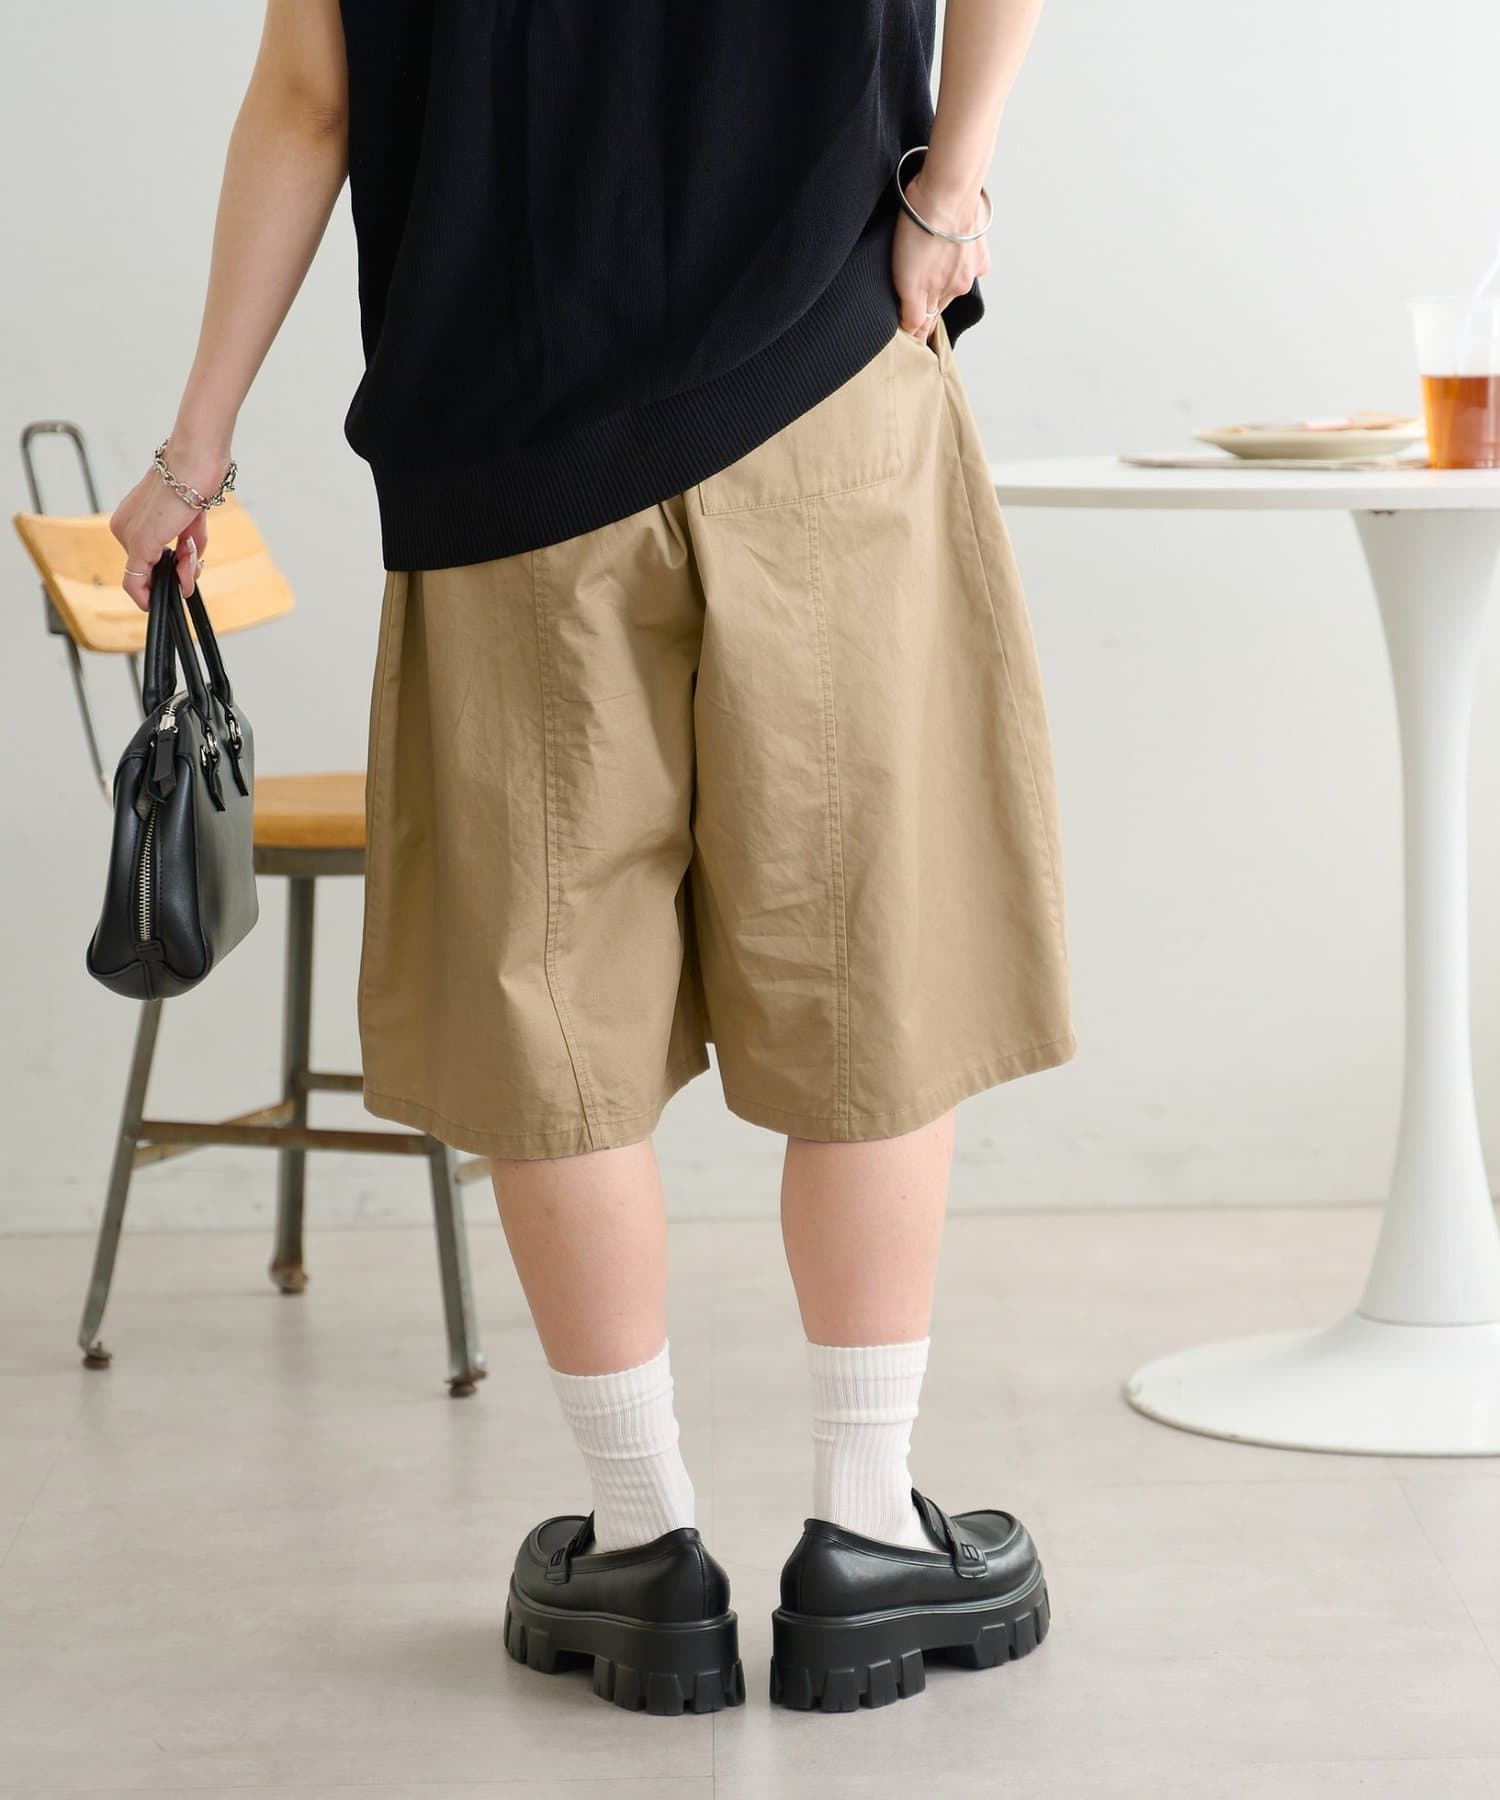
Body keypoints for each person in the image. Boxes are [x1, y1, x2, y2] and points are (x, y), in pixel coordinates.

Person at [109, 0, 1072, 1717]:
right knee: (870, 953)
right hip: (825, 379)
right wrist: (950, 194)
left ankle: (642, 1554)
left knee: (546, 1004)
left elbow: (312, 99)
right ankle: (867, 1535)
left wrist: (197, 453)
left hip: (507, 448)